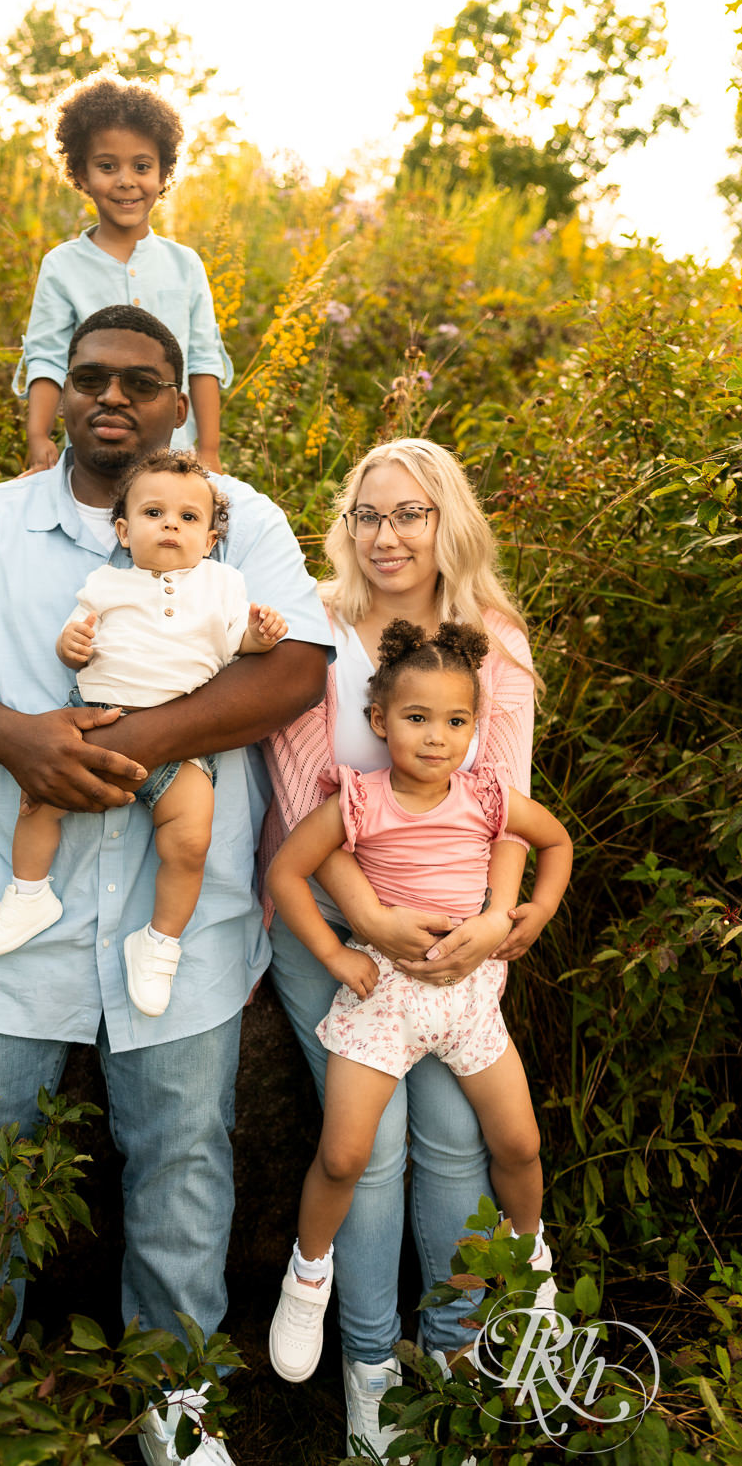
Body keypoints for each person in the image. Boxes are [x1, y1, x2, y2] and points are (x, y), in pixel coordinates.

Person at [0, 303, 331, 1466]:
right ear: (60, 386)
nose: (112, 397)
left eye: (141, 381)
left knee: (184, 1171)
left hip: (173, 926)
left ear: (179, 399)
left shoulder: (244, 521)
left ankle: (174, 1413)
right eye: (87, 376)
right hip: (7, 908)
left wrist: (139, 739)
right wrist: (22, 741)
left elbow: (295, 667)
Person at [259, 437, 546, 1456]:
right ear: (347, 528)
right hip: (337, 930)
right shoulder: (315, 632)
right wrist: (368, 923)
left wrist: (490, 928)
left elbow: (503, 814)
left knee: (459, 1137)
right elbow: (301, 805)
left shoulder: (489, 645)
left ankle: (454, 1358)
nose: (386, 535)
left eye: (409, 514)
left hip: (452, 936)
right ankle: (370, 1371)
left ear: (444, 524)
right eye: (367, 515)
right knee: (367, 1152)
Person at [265, 619, 572, 1387]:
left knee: (519, 1145)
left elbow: (557, 842)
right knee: (345, 1155)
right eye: (416, 718)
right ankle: (307, 1276)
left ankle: (530, 1255)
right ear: (378, 722)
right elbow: (285, 871)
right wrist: (336, 953)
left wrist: (534, 910)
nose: (436, 738)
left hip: (469, 1003)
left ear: (475, 728)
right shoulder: (360, 802)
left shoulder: (488, 795)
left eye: (456, 721)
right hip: (385, 1000)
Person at [0, 447, 288, 1021]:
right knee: (42, 802)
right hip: (99, 718)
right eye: (154, 514)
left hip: (184, 744)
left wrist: (261, 636)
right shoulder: (106, 582)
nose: (171, 525)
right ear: (123, 530)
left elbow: (237, 645)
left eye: (189, 518)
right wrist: (70, 647)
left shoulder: (222, 585)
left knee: (191, 842)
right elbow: (76, 638)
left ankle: (160, 942)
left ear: (211, 539)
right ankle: (29, 894)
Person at [13, 72, 231, 472]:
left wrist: (210, 450)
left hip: (173, 458)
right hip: (94, 454)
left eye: (142, 166)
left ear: (164, 175)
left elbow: (203, 361)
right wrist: (39, 436)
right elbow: (46, 358)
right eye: (108, 166)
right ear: (81, 174)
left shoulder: (185, 265)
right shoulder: (62, 266)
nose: (126, 181)